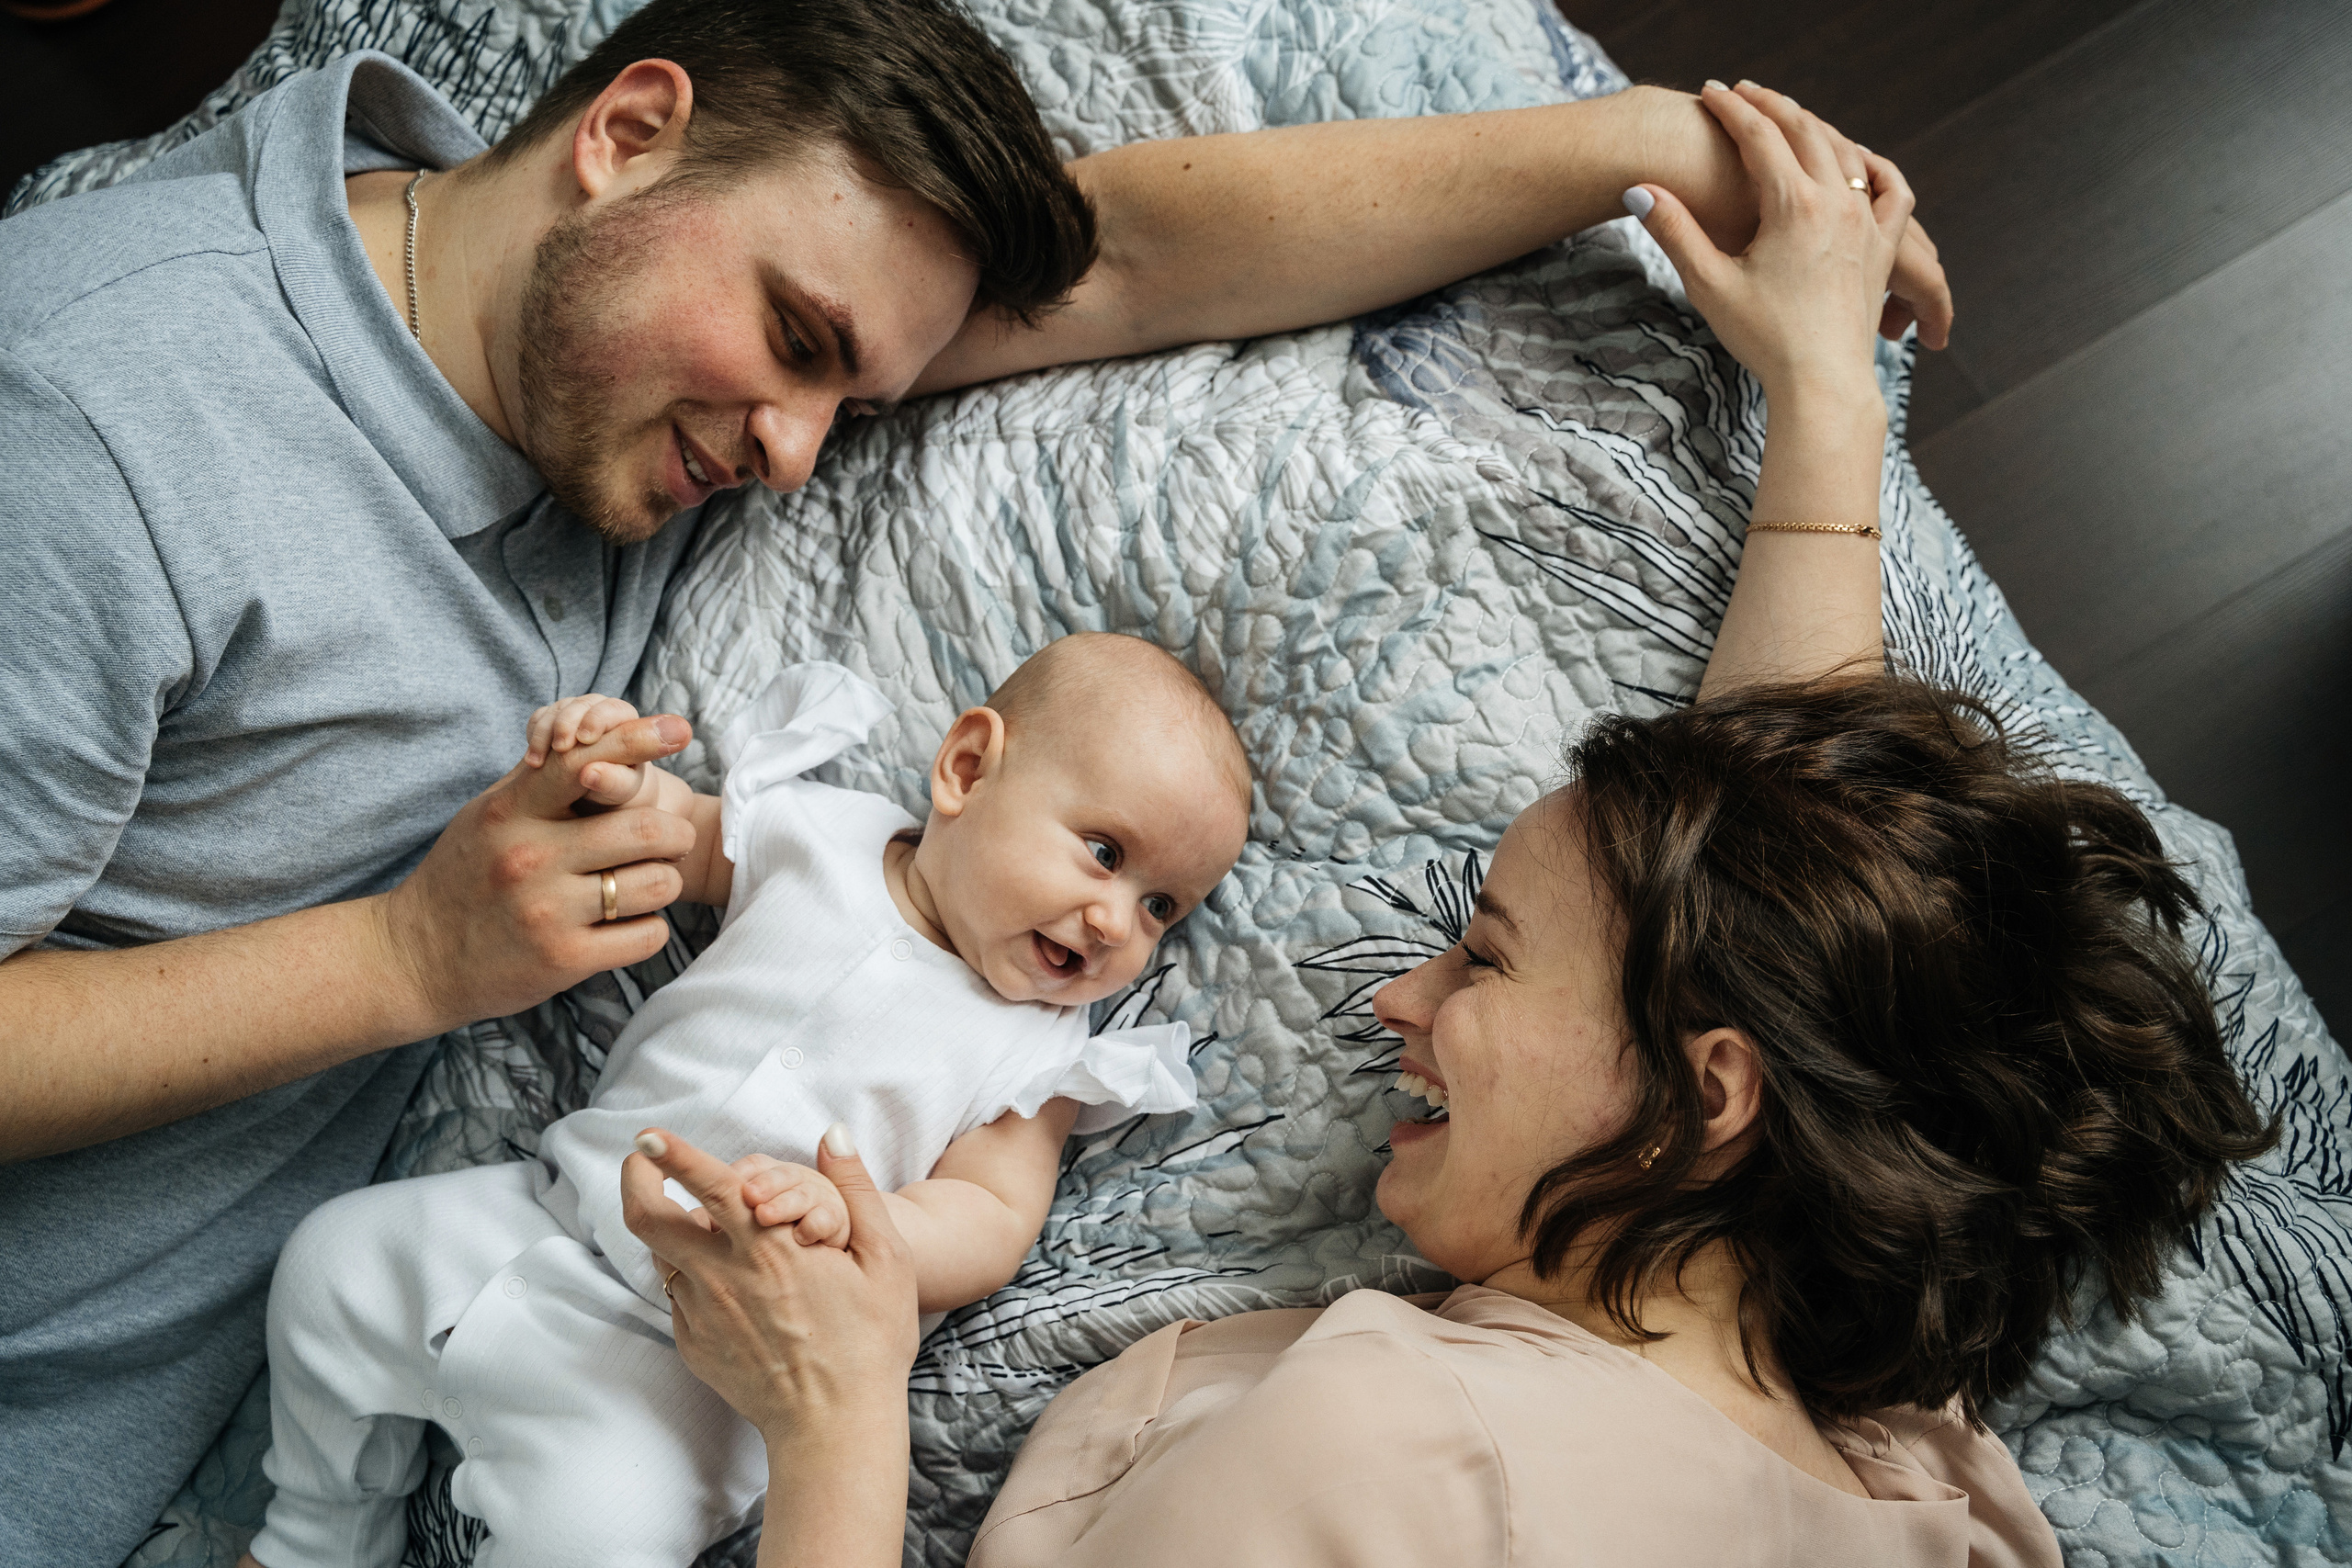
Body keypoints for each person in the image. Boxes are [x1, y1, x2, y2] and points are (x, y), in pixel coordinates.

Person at [0, 0, 1951, 1544]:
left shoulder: (625, 344)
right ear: (620, 131)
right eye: (800, 348)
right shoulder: (92, 435)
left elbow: (1132, 257)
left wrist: (1658, 149)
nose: (794, 454)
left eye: (850, 386)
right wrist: (409, 966)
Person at [618, 81, 2271, 1568]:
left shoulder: (1387, 1467)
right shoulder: (1920, 1463)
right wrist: (1824, 388)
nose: (1398, 1001)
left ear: (1707, 1094)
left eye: (1485, 954)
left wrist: (835, 1426)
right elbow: (1780, 891)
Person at [237, 635, 1244, 1567]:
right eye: (1106, 853)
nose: (1118, 920)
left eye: (1163, 906)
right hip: (545, 1215)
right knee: (331, 1266)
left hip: (691, 1367)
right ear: (968, 771)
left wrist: (859, 1219)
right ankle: (321, 1528)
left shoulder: (1038, 1053)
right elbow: (669, 844)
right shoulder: (821, 835)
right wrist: (607, 773)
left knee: (590, 1531)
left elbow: (989, 1221)